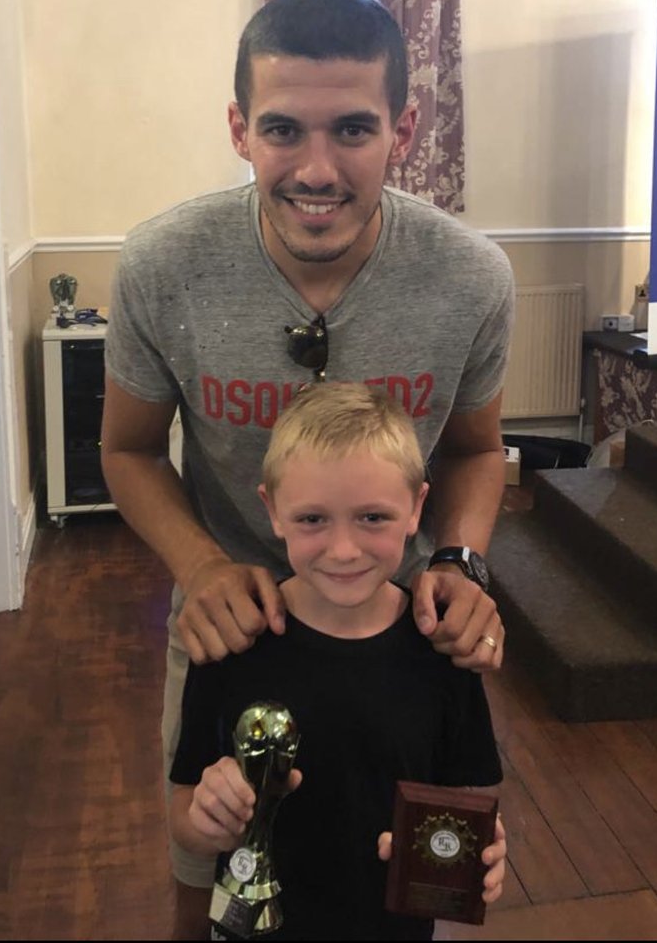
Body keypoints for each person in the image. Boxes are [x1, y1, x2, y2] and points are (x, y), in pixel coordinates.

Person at [100, 0, 514, 937]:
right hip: (232, 623)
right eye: (284, 130)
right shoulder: (165, 265)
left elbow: (474, 449)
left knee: (393, 866)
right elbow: (126, 452)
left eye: (354, 131)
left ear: (403, 130)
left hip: (395, 625)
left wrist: (455, 563)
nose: (315, 169)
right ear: (240, 128)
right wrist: (203, 568)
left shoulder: (469, 277)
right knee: (205, 863)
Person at [168, 383, 506, 941]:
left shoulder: (441, 653)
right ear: (271, 510)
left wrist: (483, 854)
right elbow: (185, 818)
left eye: (373, 517)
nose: (343, 549)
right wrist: (207, 817)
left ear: (418, 507)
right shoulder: (233, 645)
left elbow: (467, 807)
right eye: (312, 520)